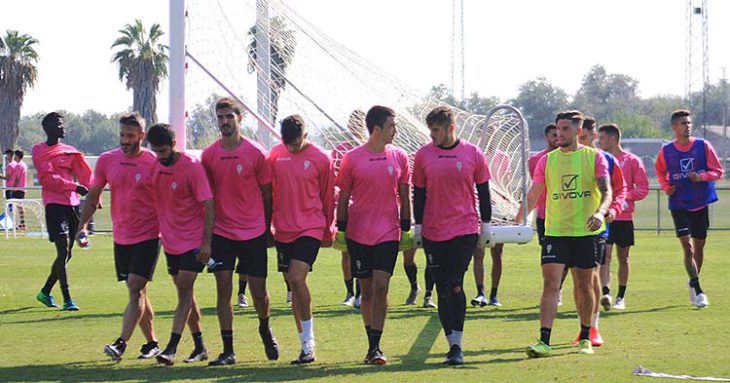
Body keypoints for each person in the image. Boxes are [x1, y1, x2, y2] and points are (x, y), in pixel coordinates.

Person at [519, 110, 612, 357]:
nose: (559, 134)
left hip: (586, 232)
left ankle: (585, 337)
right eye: (558, 129)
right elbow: (533, 194)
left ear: (578, 132)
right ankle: (544, 341)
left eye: (565, 129)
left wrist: (601, 213)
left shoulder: (594, 158)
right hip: (556, 232)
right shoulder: (547, 161)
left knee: (584, 284)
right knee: (551, 283)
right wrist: (515, 222)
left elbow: (606, 192)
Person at [76, 112, 161, 361]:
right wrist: (82, 226)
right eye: (122, 135)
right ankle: (152, 343)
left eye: (130, 136)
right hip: (121, 235)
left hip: (148, 234)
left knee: (135, 287)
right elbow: (93, 196)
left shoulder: (153, 162)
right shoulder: (106, 160)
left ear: (141, 137)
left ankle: (121, 343)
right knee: (138, 292)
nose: (125, 140)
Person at [200, 97, 279, 365]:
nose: (224, 122)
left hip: (253, 231)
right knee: (223, 289)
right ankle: (228, 350)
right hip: (222, 232)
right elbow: (206, 198)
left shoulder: (256, 153)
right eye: (220, 117)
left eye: (229, 117)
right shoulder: (209, 155)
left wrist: (268, 226)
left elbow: (268, 193)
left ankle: (264, 326)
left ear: (239, 119)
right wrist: (206, 237)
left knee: (258, 291)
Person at [412, 106, 492, 365]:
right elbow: (420, 194)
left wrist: (487, 226)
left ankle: (457, 345)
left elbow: (484, 191)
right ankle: (451, 342)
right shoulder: (423, 155)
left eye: (436, 130)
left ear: (450, 128)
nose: (432, 135)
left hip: (464, 228)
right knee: (443, 289)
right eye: (430, 130)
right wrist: (419, 227)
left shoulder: (472, 153)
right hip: (434, 231)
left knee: (456, 283)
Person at [335, 105, 412, 365]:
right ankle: (371, 345)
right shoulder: (352, 158)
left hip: (388, 233)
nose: (395, 131)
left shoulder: (400, 156)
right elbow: (344, 197)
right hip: (358, 234)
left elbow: (404, 194)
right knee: (366, 291)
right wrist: (341, 231)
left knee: (381, 286)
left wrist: (407, 228)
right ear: (377, 129)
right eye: (392, 126)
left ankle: (376, 346)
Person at [269, 114, 335, 364]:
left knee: (297, 278)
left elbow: (328, 195)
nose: (292, 148)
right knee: (293, 285)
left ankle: (309, 342)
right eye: (288, 144)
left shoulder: (320, 158)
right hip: (283, 229)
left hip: (310, 226)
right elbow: (269, 191)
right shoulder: (275, 156)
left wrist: (328, 228)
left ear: (304, 135)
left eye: (295, 144)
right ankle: (304, 344)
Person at [148, 123, 214, 366]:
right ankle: (200, 347)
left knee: (185, 289)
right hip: (171, 241)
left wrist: (207, 243)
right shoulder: (155, 165)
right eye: (156, 151)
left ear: (174, 145)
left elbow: (208, 204)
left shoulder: (192, 167)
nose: (159, 156)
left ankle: (171, 347)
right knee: (185, 293)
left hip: (193, 240)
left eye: (163, 151)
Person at [654, 109, 723, 309]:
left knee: (699, 246)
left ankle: (692, 281)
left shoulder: (703, 146)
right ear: (674, 127)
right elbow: (660, 171)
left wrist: (701, 177)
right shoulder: (666, 151)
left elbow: (718, 171)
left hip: (700, 203)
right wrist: (666, 187)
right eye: (683, 123)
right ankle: (699, 290)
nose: (687, 126)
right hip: (679, 203)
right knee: (687, 246)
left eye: (689, 122)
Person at [573, 117, 626, 347]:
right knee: (577, 280)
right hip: (569, 227)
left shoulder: (608, 160)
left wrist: (612, 209)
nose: (579, 140)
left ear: (593, 136)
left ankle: (593, 327)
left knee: (591, 275)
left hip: (597, 226)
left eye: (584, 136)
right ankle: (582, 326)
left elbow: (620, 190)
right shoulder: (565, 157)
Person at [32, 112, 92, 311]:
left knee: (68, 254)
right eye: (58, 123)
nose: (63, 126)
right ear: (48, 127)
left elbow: (85, 175)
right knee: (62, 251)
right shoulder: (39, 150)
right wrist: (74, 186)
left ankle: (46, 291)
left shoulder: (69, 151)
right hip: (54, 204)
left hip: (72, 204)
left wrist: (94, 194)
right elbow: (48, 179)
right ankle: (67, 299)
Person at [598, 123, 649, 310]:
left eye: (601, 138)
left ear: (612, 139)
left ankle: (621, 296)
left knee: (623, 257)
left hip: (624, 218)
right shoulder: (599, 159)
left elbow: (643, 188)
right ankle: (606, 292)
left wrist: (624, 197)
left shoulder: (632, 161)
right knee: (605, 256)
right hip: (604, 217)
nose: (599, 142)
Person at [332, 110, 366, 308]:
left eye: (359, 123)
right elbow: (335, 180)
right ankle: (349, 292)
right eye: (352, 123)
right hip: (345, 207)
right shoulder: (339, 150)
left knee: (361, 250)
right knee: (346, 252)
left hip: (363, 208)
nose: (355, 127)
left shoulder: (369, 149)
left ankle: (361, 293)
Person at [12, 150, 27, 230]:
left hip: (18, 189)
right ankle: (22, 223)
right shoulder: (24, 165)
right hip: (22, 188)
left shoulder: (18, 165)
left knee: (19, 206)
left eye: (15, 155)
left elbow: (17, 178)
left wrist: (14, 188)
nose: (14, 157)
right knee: (20, 206)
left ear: (17, 156)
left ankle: (22, 224)